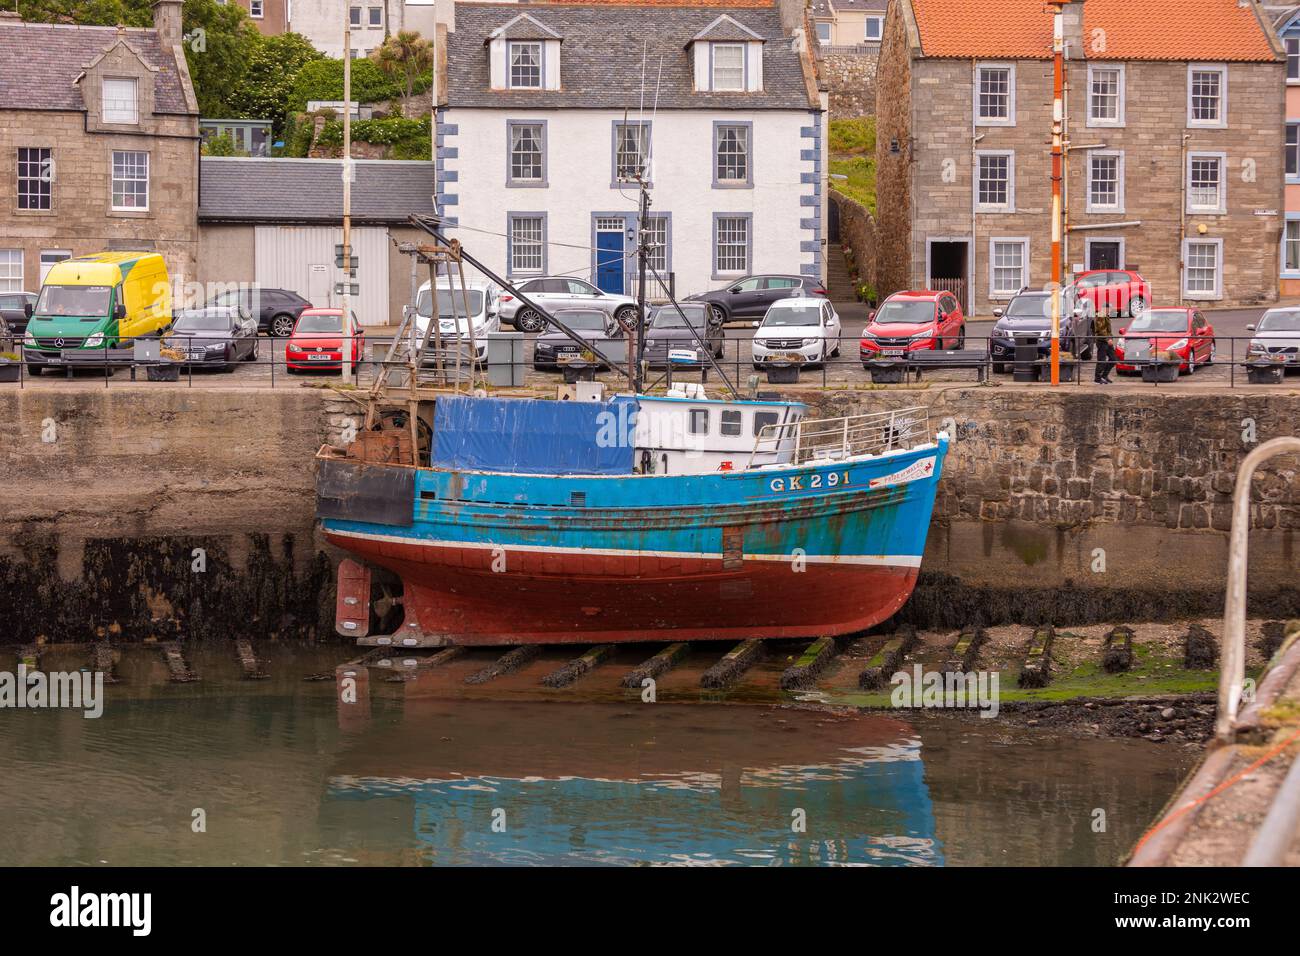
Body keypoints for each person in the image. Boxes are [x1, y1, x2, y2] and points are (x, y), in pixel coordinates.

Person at [1093, 310, 1116, 384]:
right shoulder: (1100, 315)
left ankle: (1104, 376)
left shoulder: (1106, 315)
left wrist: (1110, 339)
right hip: (1102, 341)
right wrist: (1107, 339)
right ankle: (1097, 378)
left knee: (1113, 359)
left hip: (1108, 341)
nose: (1110, 310)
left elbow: (1109, 330)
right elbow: (1101, 330)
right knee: (1101, 360)